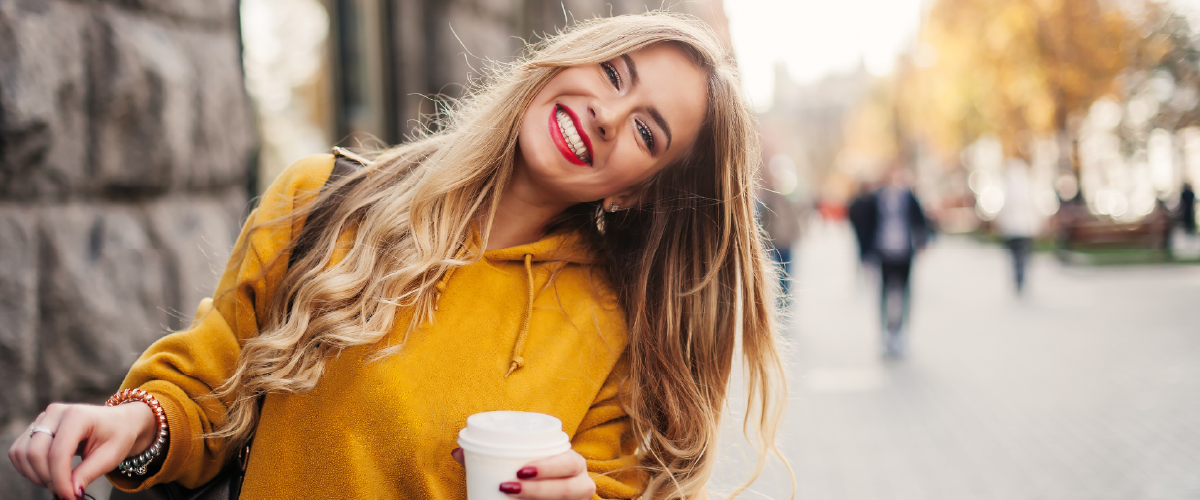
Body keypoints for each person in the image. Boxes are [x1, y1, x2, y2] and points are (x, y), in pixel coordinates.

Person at [8, 13, 787, 500]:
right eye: (613, 74)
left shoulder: (615, 333)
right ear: (563, 63)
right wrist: (134, 427)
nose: (609, 114)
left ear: (638, 193)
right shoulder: (322, 199)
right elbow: (208, 395)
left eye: (648, 132)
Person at [861, 164, 930, 357]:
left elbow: (921, 221)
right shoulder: (877, 198)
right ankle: (885, 332)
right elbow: (866, 224)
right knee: (884, 292)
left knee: (905, 292)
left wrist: (923, 242)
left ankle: (901, 332)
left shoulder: (909, 198)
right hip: (884, 251)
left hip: (905, 252)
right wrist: (866, 253)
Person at [996, 159, 1039, 294]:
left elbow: (1003, 209)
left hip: (1013, 230)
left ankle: (1018, 279)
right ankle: (1021, 278)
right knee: (1023, 256)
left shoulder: (1007, 187)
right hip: (1025, 228)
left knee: (1016, 257)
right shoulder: (1028, 185)